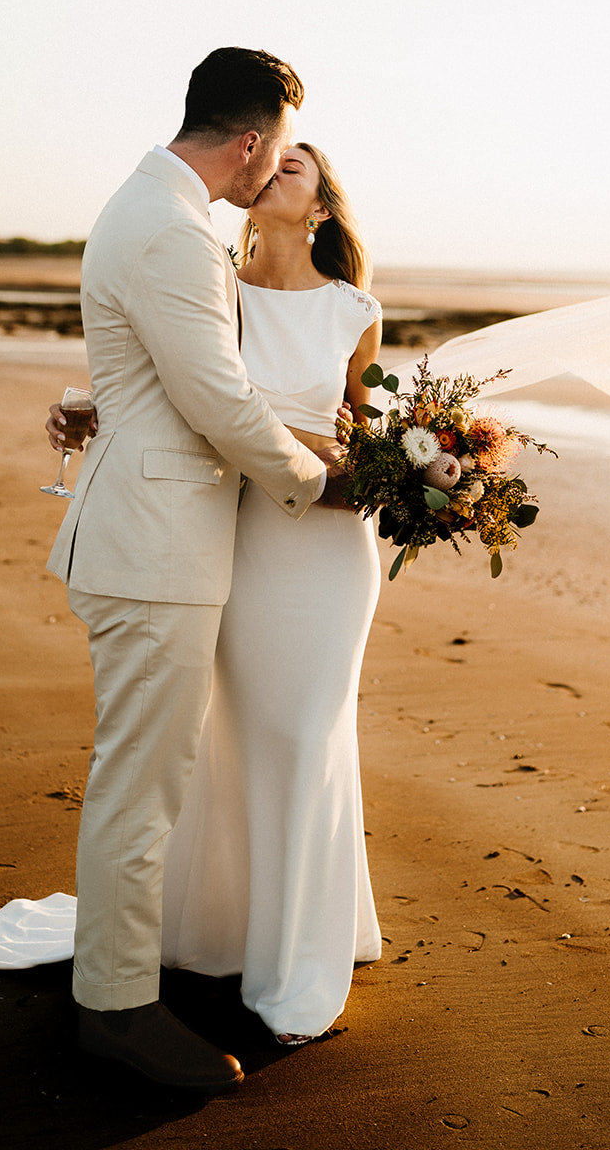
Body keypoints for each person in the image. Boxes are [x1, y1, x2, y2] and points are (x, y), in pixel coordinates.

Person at [45, 48, 346, 1094]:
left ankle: (118, 983)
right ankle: (118, 1010)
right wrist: (320, 481)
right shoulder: (172, 230)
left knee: (146, 774)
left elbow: (161, 377)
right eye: (277, 153)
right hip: (151, 543)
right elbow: (218, 400)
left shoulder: (156, 209)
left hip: (150, 531)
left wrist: (91, 402)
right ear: (253, 143)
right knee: (141, 782)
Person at [159, 142, 384, 1045]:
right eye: (270, 161)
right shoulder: (214, 291)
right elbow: (189, 401)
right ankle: (231, 928)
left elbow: (364, 424)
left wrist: (426, 467)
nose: (274, 168)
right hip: (244, 534)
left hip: (333, 546)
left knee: (309, 729)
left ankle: (302, 954)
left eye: (297, 164)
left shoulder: (354, 310)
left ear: (323, 206)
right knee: (248, 726)